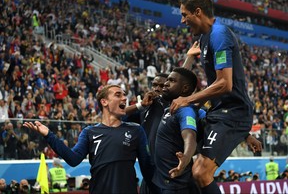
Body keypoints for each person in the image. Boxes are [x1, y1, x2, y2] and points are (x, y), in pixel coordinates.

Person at [170, 0, 255, 194]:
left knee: (201, 173)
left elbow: (225, 84)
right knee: (185, 161)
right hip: (220, 113)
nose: (182, 20)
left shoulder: (219, 34)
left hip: (232, 115)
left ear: (197, 12)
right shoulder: (205, 38)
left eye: (184, 14)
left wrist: (188, 100)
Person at [23, 85, 155, 194]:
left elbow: (147, 168)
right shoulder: (89, 132)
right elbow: (73, 159)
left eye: (124, 94)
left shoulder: (136, 130)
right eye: (118, 95)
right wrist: (49, 135)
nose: (124, 98)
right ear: (104, 102)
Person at [153, 67, 205, 193]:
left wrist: (186, 157)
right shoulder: (171, 109)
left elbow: (190, 138)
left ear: (185, 89)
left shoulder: (185, 111)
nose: (165, 83)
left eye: (171, 81)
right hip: (165, 181)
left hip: (176, 184)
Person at [125, 73, 169, 194]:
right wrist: (140, 105)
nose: (157, 88)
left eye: (162, 85)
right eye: (154, 85)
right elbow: (119, 115)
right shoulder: (145, 107)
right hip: (149, 171)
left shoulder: (174, 106)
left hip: (167, 170)